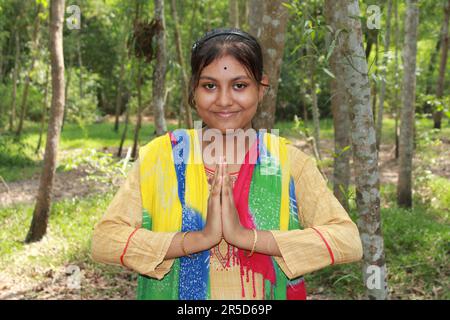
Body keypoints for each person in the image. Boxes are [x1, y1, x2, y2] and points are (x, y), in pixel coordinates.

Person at [91, 27, 363, 300]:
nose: (223, 100)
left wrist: (246, 238)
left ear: (261, 89)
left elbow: (347, 240)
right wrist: (197, 240)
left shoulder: (290, 163)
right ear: (194, 90)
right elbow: (105, 240)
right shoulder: (159, 158)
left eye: (239, 85)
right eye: (210, 86)